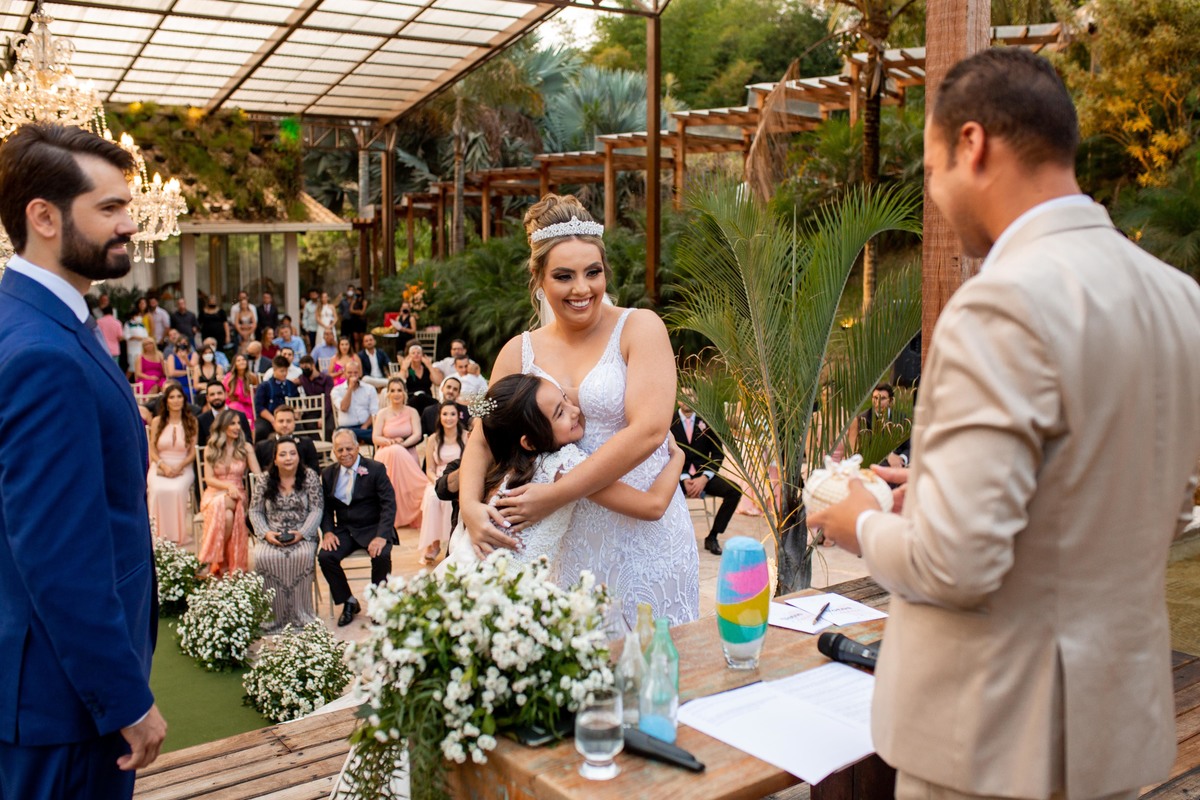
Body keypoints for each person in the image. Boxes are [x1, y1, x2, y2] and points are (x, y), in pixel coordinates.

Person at [807, 49, 1200, 800]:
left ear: (972, 144)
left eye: (931, 171)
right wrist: (938, 491)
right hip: (1115, 732)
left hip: (994, 742)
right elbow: (1160, 504)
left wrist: (860, 522)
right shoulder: (1180, 299)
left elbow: (954, 567)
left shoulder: (1001, 304)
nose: (934, 194)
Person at [0, 122, 165, 798]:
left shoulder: (38, 321)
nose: (130, 223)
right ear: (44, 218)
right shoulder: (43, 352)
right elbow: (59, 552)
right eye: (110, 208)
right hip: (65, 707)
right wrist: (122, 697)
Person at [461, 193, 699, 626]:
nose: (582, 289)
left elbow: (650, 430)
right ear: (538, 278)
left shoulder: (641, 327)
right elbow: (481, 436)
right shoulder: (516, 351)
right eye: (563, 276)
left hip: (644, 540)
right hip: (563, 548)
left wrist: (556, 494)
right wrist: (468, 506)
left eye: (593, 272)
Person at [441, 375, 684, 573]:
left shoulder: (504, 469)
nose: (575, 410)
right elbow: (653, 505)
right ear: (530, 442)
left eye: (565, 398)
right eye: (560, 413)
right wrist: (677, 458)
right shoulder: (562, 466)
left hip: (464, 576)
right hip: (499, 594)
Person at [319, 430, 397, 627]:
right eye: (340, 450)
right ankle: (348, 601)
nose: (345, 453)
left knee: (381, 555)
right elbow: (325, 508)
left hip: (373, 528)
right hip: (345, 530)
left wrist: (381, 536)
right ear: (334, 451)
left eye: (349, 448)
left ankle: (378, 603)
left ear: (357, 447)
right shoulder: (328, 474)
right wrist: (328, 532)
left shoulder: (375, 469)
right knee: (326, 556)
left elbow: (389, 504)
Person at [249, 437, 323, 634]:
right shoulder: (264, 480)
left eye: (292, 453)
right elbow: (255, 511)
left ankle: (301, 615)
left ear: (299, 456)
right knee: (263, 557)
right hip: (272, 533)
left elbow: (317, 509)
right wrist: (266, 533)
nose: (288, 458)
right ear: (275, 459)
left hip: (302, 532)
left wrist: (303, 533)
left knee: (302, 556)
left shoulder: (310, 477)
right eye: (282, 454)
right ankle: (272, 617)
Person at [670, 395, 742, 556]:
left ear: (697, 397)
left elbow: (717, 454)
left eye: (690, 395)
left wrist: (704, 478)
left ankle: (713, 536)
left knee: (734, 491)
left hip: (704, 475)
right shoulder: (669, 421)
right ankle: (673, 539)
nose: (687, 399)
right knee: (661, 492)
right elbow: (666, 455)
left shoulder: (707, 421)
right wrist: (683, 477)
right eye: (683, 395)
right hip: (677, 476)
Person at [199, 409, 261, 576]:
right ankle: (221, 560)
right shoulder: (211, 448)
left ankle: (209, 559)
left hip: (237, 494)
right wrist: (227, 487)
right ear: (223, 426)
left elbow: (257, 474)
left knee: (226, 504)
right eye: (232, 423)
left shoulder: (245, 447)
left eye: (238, 423)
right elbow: (209, 479)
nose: (237, 427)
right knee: (227, 516)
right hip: (214, 493)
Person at [418, 401, 469, 564]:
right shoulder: (433, 439)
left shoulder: (466, 436)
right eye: (445, 414)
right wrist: (436, 481)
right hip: (437, 479)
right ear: (439, 416)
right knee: (432, 497)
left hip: (458, 478)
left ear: (458, 416)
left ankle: (452, 540)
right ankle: (434, 544)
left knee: (450, 499)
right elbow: (429, 469)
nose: (448, 418)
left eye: (452, 414)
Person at [147, 382, 198, 546]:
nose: (176, 400)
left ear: (184, 399)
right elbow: (152, 449)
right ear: (166, 401)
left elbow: (192, 453)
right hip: (160, 464)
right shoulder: (157, 421)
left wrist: (180, 466)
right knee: (157, 490)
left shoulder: (192, 422)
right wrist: (163, 466)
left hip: (183, 465)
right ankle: (157, 535)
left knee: (176, 490)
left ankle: (176, 536)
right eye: (172, 397)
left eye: (179, 397)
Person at [372, 378, 425, 529]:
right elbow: (375, 437)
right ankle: (391, 516)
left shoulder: (412, 412)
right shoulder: (382, 413)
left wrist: (402, 445)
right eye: (393, 390)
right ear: (388, 394)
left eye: (399, 390)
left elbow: (417, 435)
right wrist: (390, 442)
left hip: (407, 451)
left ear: (405, 393)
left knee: (398, 451)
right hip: (386, 451)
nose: (396, 394)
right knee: (394, 451)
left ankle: (410, 513)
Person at [853, 382, 910, 469]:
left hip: (899, 465)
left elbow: (910, 446)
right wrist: (888, 456)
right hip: (874, 465)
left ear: (891, 400)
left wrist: (901, 459)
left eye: (883, 398)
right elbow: (865, 448)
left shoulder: (902, 418)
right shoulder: (863, 418)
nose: (878, 403)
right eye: (875, 398)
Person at [255, 404, 320, 474]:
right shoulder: (262, 447)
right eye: (281, 421)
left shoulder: (307, 444)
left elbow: (315, 471)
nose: (285, 425)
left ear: (294, 423)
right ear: (274, 423)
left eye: (288, 421)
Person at [254, 355, 300, 442]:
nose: (284, 374)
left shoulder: (291, 385)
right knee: (260, 431)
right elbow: (259, 407)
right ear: (274, 370)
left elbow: (297, 403)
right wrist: (273, 420)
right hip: (268, 418)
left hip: (288, 417)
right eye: (282, 371)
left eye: (286, 371)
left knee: (300, 430)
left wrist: (296, 414)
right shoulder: (264, 386)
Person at [330, 359, 378, 443]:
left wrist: (365, 426)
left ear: (360, 373)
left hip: (366, 427)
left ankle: (363, 436)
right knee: (341, 432)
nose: (353, 375)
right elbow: (344, 408)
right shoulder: (336, 390)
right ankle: (361, 436)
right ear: (345, 373)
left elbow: (374, 412)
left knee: (377, 433)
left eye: (355, 373)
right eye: (349, 373)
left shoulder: (370, 389)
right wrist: (350, 388)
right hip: (347, 428)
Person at [197, 382, 252, 447]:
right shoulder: (201, 420)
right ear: (207, 398)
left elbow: (248, 442)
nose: (216, 397)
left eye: (219, 393)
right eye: (212, 394)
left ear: (226, 395)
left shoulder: (240, 416)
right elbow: (201, 446)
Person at [399, 341, 436, 413]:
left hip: (427, 399)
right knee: (418, 398)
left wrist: (430, 366)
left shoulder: (427, 370)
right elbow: (399, 382)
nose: (416, 355)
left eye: (418, 353)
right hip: (412, 400)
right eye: (413, 353)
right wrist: (403, 368)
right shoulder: (407, 370)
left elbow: (438, 382)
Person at [163, 334, 193, 402]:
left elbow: (193, 369)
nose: (182, 345)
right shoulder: (171, 357)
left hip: (189, 382)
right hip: (176, 382)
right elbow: (171, 373)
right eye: (180, 343)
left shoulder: (193, 355)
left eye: (185, 343)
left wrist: (186, 359)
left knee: (191, 392)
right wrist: (187, 372)